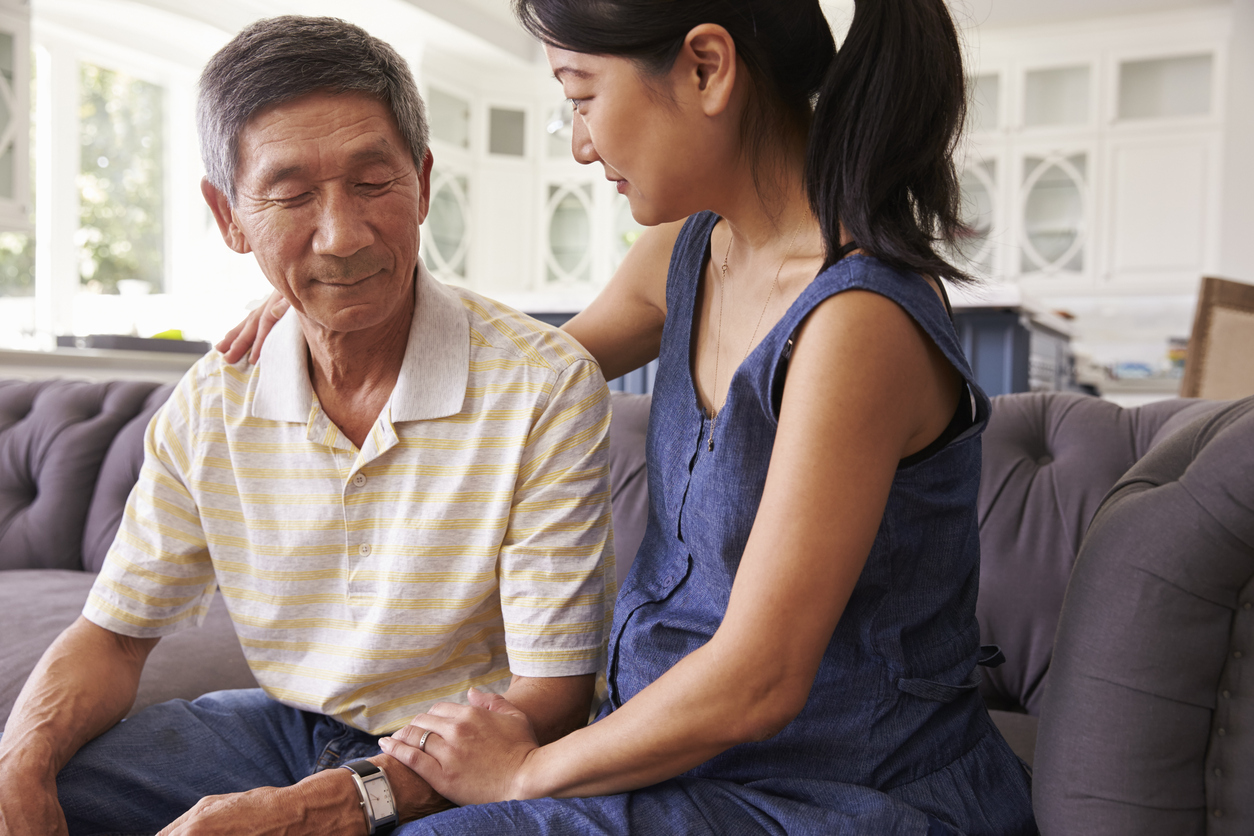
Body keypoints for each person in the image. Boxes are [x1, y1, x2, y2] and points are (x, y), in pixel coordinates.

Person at [223, 1, 1038, 833]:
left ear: (706, 69)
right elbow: (510, 381)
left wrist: (527, 770)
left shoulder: (857, 321)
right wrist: (330, 308)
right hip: (668, 758)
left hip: (832, 795)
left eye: (580, 97)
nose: (580, 143)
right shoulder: (689, 249)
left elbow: (761, 678)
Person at [0, 16, 615, 836]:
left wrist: (331, 805)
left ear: (424, 184)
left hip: (469, 758)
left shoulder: (543, 387)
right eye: (291, 195)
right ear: (228, 216)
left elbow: (552, 694)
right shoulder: (212, 404)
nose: (343, 236)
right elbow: (112, 638)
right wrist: (22, 767)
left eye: (373, 182)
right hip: (280, 727)